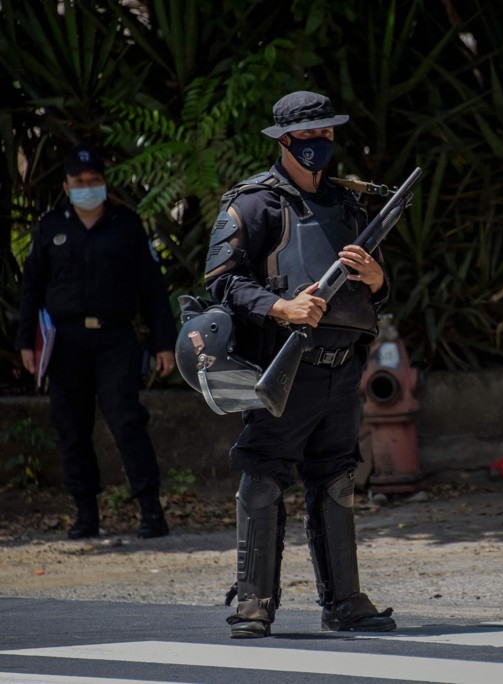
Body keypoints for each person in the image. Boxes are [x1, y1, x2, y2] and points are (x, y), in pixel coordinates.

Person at [204, 91, 396, 638]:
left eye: (327, 134)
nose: (320, 145)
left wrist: (379, 280)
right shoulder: (254, 204)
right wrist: (280, 307)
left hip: (341, 366)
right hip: (284, 366)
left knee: (336, 478)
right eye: (309, 136)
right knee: (264, 475)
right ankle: (253, 601)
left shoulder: (350, 204)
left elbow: (377, 287)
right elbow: (221, 281)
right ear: (284, 141)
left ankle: (344, 601)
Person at [16, 145, 176, 540]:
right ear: (66, 185)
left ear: (104, 183)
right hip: (64, 342)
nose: (87, 187)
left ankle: (150, 510)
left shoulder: (127, 225)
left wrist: (163, 343)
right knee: (72, 427)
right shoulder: (52, 227)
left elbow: (152, 289)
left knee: (127, 421)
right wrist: (26, 343)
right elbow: (31, 289)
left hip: (114, 338)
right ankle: (85, 513)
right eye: (79, 182)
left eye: (94, 181)